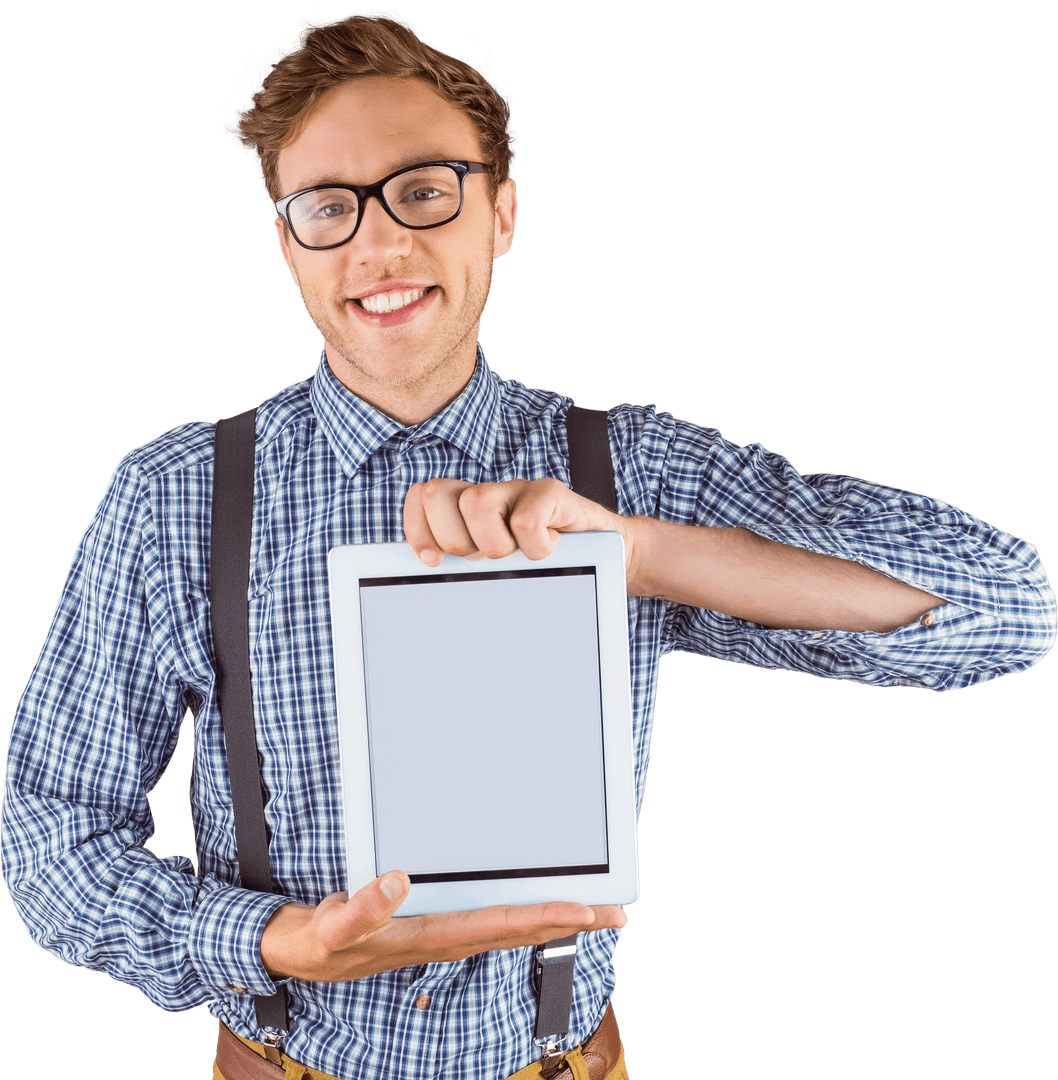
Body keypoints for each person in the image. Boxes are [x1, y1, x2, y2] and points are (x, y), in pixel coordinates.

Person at [2, 11, 1054, 1080]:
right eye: (328, 206)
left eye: (422, 189)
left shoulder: (625, 468)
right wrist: (280, 944)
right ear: (287, 240)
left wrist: (636, 555)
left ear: (499, 213)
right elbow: (50, 843)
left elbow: (1006, 610)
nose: (376, 242)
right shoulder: (175, 497)